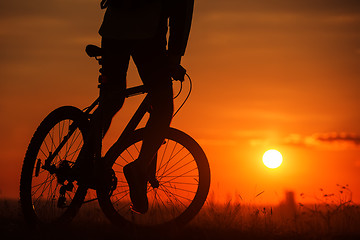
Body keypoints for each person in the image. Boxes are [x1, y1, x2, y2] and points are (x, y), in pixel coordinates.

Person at [84, 0, 194, 214]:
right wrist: (174, 57)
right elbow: (181, 11)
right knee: (162, 105)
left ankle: (83, 163)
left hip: (113, 31)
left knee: (112, 100)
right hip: (147, 34)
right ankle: (140, 168)